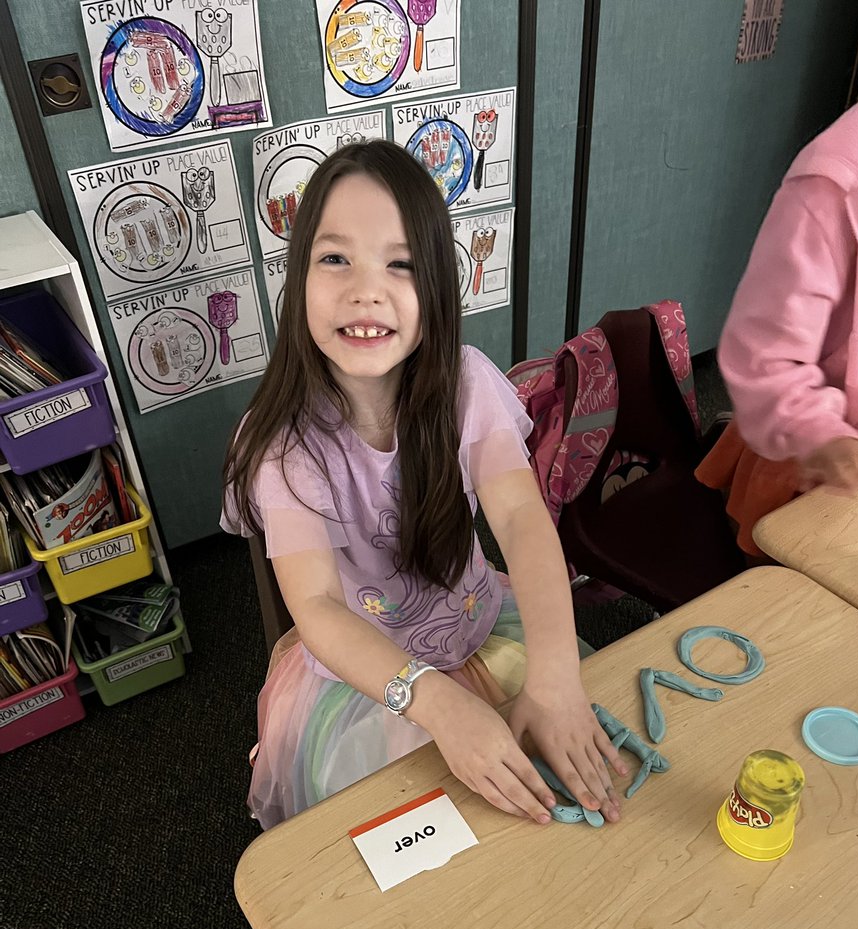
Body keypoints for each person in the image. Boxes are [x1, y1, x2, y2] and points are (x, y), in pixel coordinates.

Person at [222, 140, 627, 829]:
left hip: (477, 629)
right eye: (334, 258)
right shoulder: (284, 442)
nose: (366, 289)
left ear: (436, 284)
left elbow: (523, 521)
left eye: (401, 263)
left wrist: (555, 674)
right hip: (370, 679)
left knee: (553, 799)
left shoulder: (465, 381)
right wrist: (437, 703)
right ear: (298, 279)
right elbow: (316, 606)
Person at [696, 47, 858, 555]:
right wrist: (822, 436)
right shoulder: (838, 177)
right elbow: (763, 356)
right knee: (786, 614)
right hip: (811, 460)